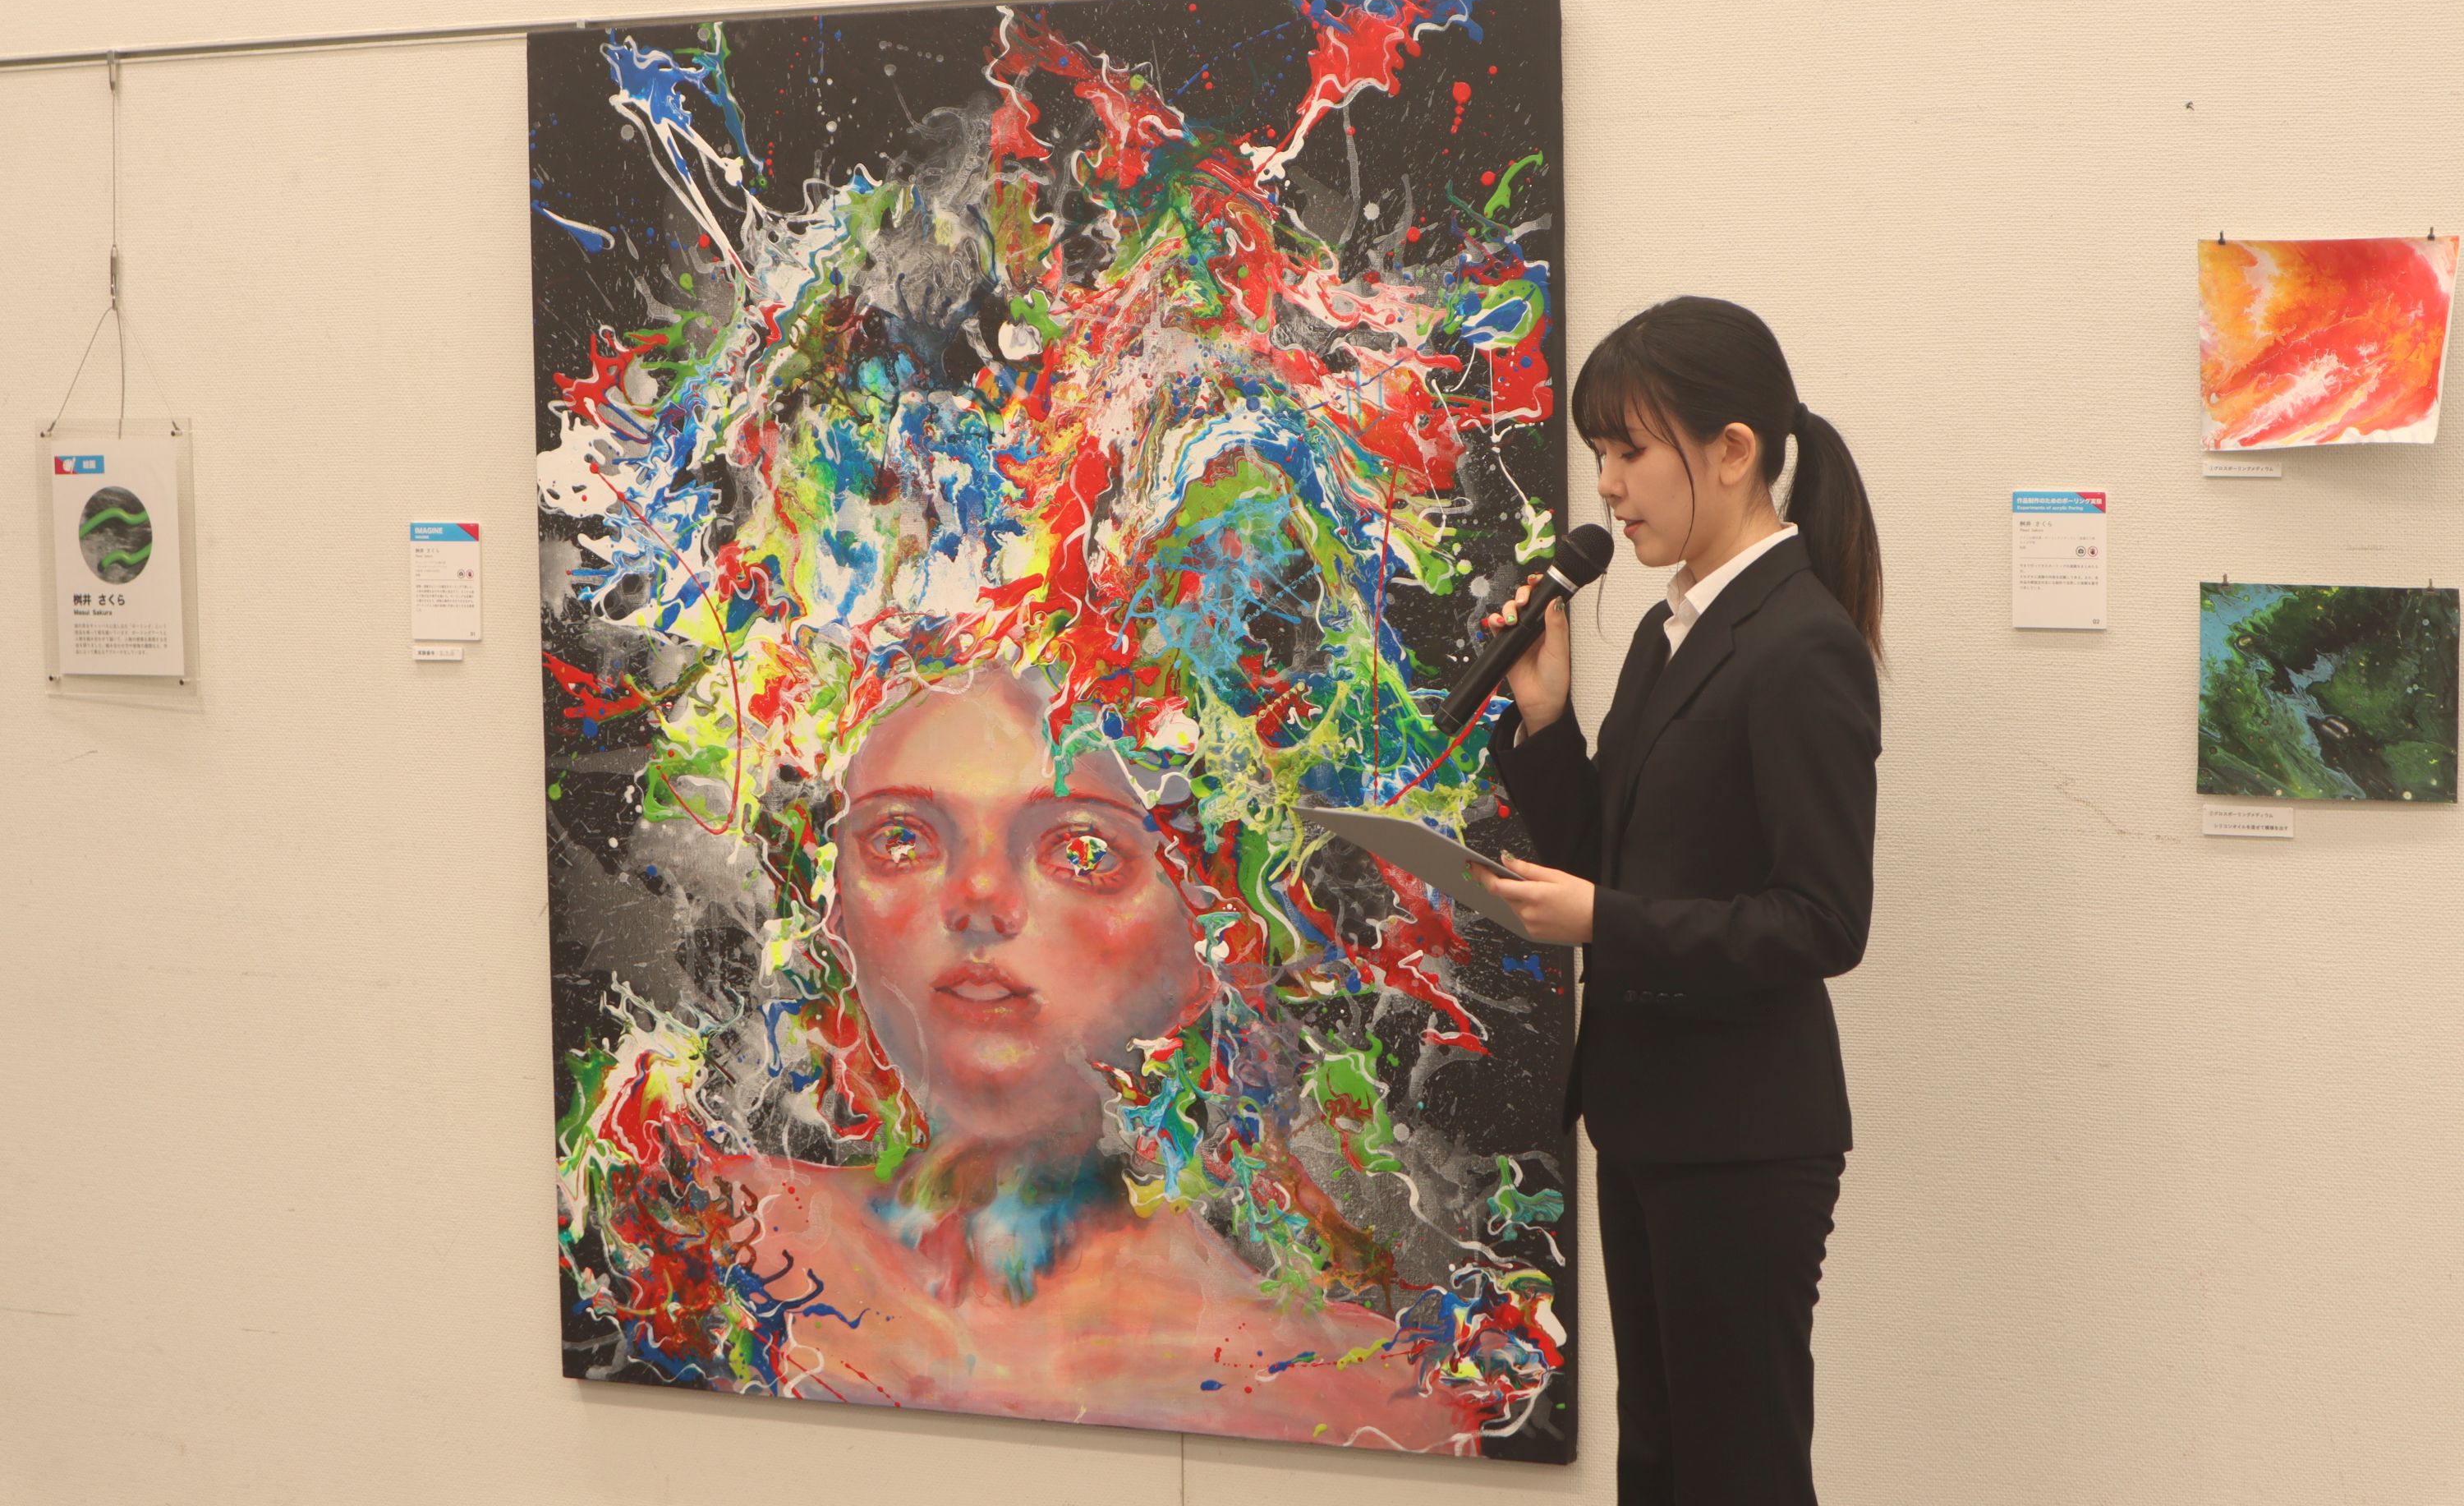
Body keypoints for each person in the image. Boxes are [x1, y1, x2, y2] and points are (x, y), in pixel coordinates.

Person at [712, 665, 1483, 1448]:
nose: (977, 899)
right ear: (834, 910)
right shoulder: (701, 1242)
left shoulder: (1366, 1400)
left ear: (1211, 938)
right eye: (901, 838)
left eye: (1082, 850)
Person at [1471, 296, 1884, 1504]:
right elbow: (1612, 856)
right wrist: (1547, 721)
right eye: (1599, 453)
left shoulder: (1800, 642)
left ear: (1733, 450)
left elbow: (1823, 919)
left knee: (1738, 1473)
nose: (1606, 485)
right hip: (1647, 1114)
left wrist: (1606, 921)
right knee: (1656, 1464)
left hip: (1744, 1135)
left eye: (1628, 450)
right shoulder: (1670, 631)